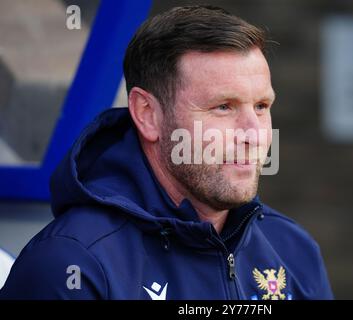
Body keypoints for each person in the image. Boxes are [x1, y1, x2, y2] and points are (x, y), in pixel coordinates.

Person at [0, 5, 333, 300]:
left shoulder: (293, 249)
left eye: (261, 106)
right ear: (148, 114)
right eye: (222, 107)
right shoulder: (73, 264)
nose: (253, 133)